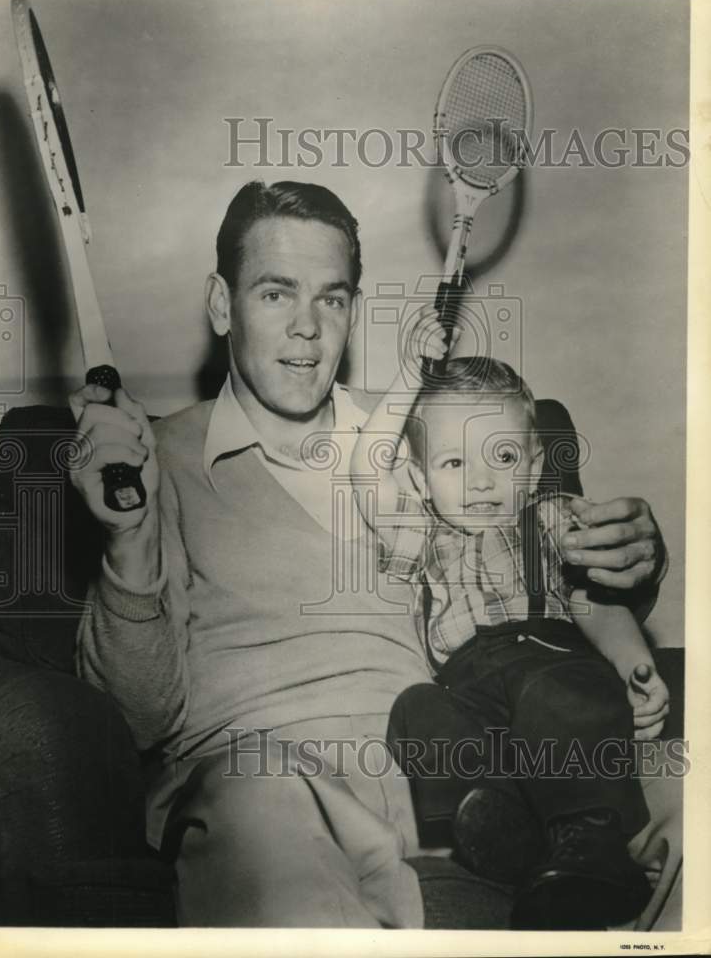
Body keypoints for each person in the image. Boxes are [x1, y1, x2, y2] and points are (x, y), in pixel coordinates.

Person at [70, 180, 667, 928]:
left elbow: (534, 561)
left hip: (450, 773)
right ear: (222, 305)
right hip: (265, 780)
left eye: (333, 298)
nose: (308, 330)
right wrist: (128, 535)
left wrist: (633, 559)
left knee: (682, 787)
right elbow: (132, 720)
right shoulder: (151, 460)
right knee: (265, 809)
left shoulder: (428, 438)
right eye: (276, 294)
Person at [349, 304, 670, 929]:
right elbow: (368, 469)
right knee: (415, 709)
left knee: (558, 695)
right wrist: (412, 374)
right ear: (419, 478)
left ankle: (591, 842)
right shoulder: (419, 532)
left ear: (530, 466)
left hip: (547, 659)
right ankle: (508, 827)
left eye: (501, 457)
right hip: (468, 688)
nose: (479, 482)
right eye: (453, 463)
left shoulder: (549, 517)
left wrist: (635, 663)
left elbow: (595, 600)